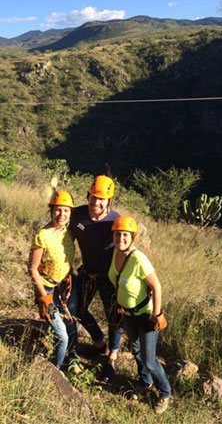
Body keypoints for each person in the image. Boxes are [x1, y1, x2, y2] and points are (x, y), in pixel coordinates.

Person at [108, 215, 171, 414]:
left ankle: (165, 393)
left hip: (145, 316)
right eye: (118, 235)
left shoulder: (138, 258)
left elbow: (157, 286)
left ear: (132, 237)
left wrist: (158, 314)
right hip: (127, 314)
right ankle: (145, 383)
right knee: (136, 351)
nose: (121, 239)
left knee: (150, 359)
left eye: (125, 235)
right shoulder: (115, 254)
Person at [70, 174, 122, 366]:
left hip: (110, 278)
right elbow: (61, 230)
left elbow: (128, 249)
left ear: (109, 201)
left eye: (101, 199)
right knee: (79, 310)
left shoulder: (115, 222)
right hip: (88, 272)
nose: (96, 202)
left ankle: (112, 357)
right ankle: (100, 342)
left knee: (114, 317)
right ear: (88, 196)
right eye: (93, 197)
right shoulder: (77, 215)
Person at [28, 188, 79, 370]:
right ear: (51, 210)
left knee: (68, 323)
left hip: (63, 287)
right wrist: (45, 299)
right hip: (47, 289)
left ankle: (69, 358)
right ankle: (55, 370)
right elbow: (33, 269)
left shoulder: (69, 233)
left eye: (66, 211)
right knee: (63, 336)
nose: (61, 214)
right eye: (58, 210)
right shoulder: (42, 236)